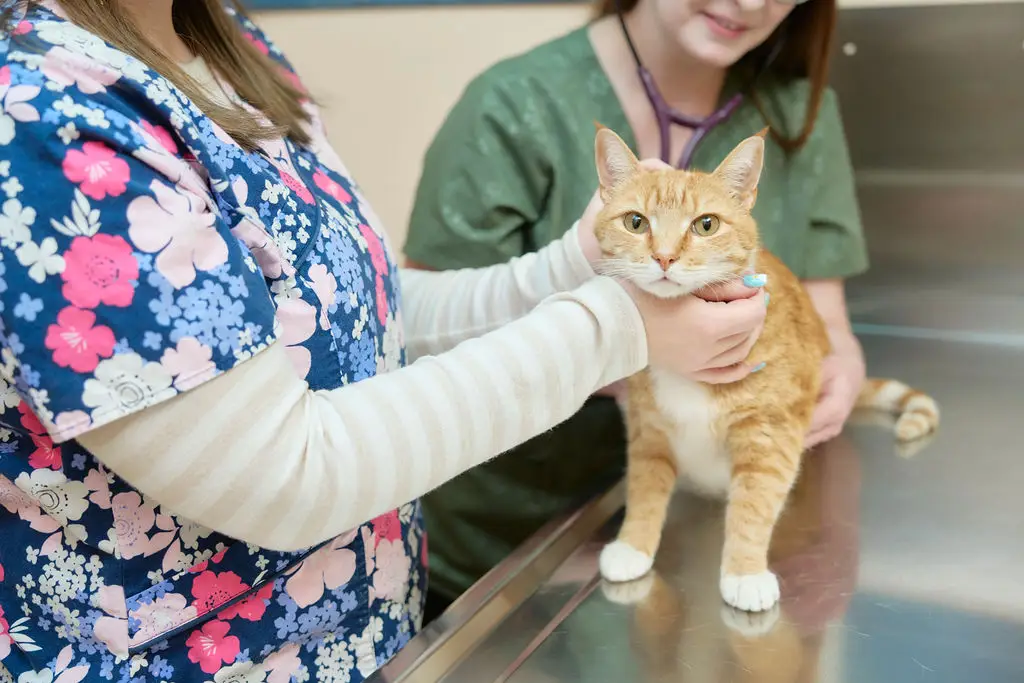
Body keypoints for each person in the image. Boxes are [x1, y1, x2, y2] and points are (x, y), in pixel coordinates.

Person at [0, 1, 768, 680]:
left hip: (384, 638)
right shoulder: (45, 113)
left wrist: (572, 266)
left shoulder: (228, 43)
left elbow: (362, 314)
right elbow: (281, 478)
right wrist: (619, 327)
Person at [404, 0, 869, 619]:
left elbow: (827, 320)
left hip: (700, 541)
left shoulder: (800, 110)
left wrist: (833, 373)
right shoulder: (513, 104)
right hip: (508, 549)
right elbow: (421, 334)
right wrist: (626, 345)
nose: (752, 3)